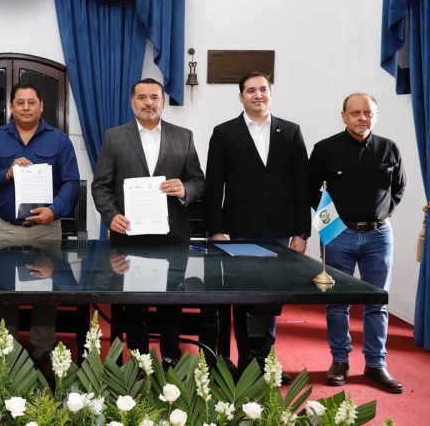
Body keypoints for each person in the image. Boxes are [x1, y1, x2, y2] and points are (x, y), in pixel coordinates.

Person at [204, 72, 310, 381]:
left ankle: (266, 361)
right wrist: (216, 230)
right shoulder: (224, 133)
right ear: (241, 97)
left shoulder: (290, 132)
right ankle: (245, 361)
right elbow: (214, 187)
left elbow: (302, 186)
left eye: (263, 89)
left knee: (271, 299)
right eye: (251, 90)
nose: (258, 94)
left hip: (279, 230)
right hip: (238, 231)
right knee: (242, 297)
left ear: (271, 94)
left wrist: (302, 232)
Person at [91, 78, 205, 361]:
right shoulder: (114, 137)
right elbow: (101, 186)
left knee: (172, 301)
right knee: (135, 301)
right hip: (129, 234)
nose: (148, 102)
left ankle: (170, 356)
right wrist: (110, 215)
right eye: (142, 97)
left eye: (154, 97)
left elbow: (198, 181)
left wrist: (185, 190)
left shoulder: (184, 136)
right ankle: (138, 358)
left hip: (173, 235)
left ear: (163, 102)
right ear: (132, 103)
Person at [0, 81, 80, 367]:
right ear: (11, 106)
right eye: (20, 102)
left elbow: (71, 182)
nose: (26, 107)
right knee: (5, 291)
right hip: (8, 228)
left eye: (32, 102)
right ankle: (6, 352)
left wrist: (55, 211)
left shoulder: (59, 140)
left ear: (41, 105)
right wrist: (5, 173)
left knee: (46, 293)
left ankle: (42, 350)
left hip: (46, 228)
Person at [309, 92, 406, 394]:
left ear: (375, 116)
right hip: (339, 235)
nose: (362, 118)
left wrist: (381, 216)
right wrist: (330, 225)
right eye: (355, 113)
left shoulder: (389, 148)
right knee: (337, 302)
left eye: (368, 113)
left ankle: (376, 364)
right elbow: (310, 189)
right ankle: (340, 361)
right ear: (343, 116)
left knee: (377, 302)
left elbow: (399, 188)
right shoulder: (325, 149)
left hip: (379, 236)